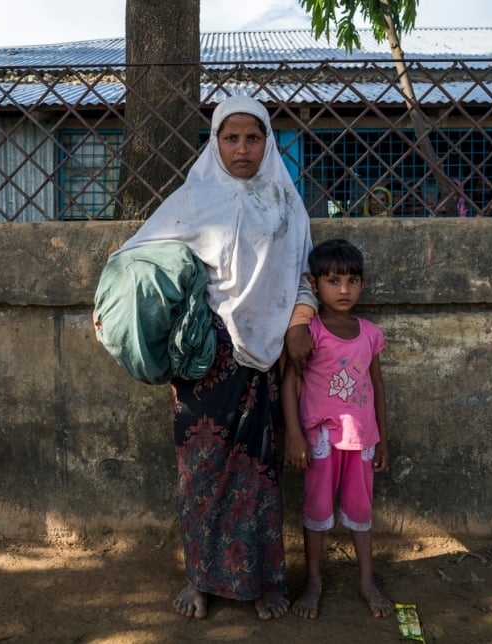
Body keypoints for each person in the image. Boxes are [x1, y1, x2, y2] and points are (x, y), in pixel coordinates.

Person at [101, 95, 318, 620]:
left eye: (253, 137)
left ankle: (267, 582)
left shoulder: (287, 205)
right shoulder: (192, 201)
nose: (242, 148)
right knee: (200, 474)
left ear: (268, 142)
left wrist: (299, 321)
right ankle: (199, 580)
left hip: (265, 364)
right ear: (215, 142)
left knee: (260, 474)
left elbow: (303, 277)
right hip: (205, 361)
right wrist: (108, 311)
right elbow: (131, 258)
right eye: (230, 137)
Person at [281, 238, 392, 620]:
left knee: (361, 510)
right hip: (321, 440)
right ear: (314, 284)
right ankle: (314, 581)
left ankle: (366, 579)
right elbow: (289, 383)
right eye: (333, 281)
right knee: (317, 509)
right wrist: (294, 435)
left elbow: (377, 387)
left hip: (361, 439)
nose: (343, 290)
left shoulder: (369, 333)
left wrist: (383, 441)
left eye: (352, 281)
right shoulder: (307, 331)